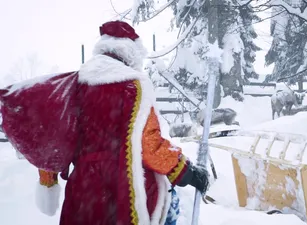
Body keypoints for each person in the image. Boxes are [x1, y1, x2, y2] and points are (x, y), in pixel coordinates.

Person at [0, 20, 209, 225]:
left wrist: (48, 180)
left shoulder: (75, 86)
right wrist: (186, 171)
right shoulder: (135, 88)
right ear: (132, 55)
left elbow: (53, 136)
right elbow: (149, 145)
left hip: (83, 192)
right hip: (122, 189)